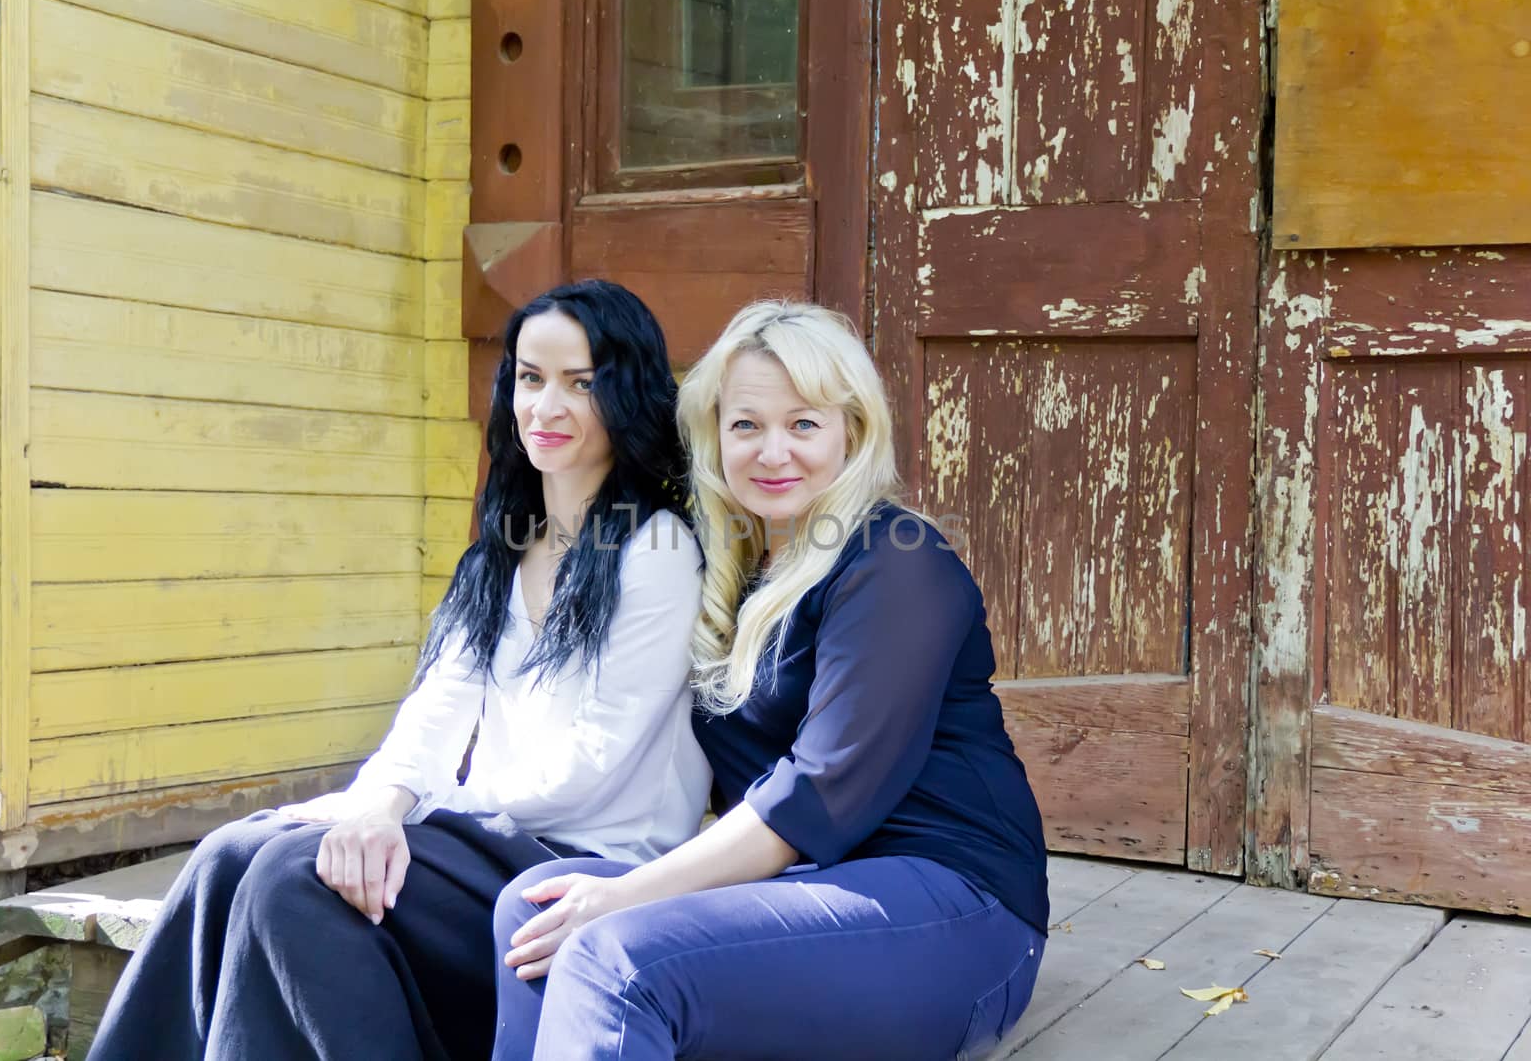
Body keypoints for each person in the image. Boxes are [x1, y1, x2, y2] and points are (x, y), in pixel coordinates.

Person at [87, 280, 712, 1061]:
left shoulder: (657, 551)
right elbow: (433, 712)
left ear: (625, 393)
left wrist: (405, 819)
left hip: (582, 863)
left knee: (295, 879)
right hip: (486, 839)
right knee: (228, 855)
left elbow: (588, 769)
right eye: (529, 377)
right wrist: (376, 802)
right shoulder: (503, 550)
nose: (545, 406)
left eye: (580, 383)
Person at [490, 301, 1051, 1061]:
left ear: (851, 431)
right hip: (808, 894)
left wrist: (630, 891)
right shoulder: (734, 572)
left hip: (955, 905)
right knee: (535, 908)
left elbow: (817, 795)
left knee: (612, 954)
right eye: (747, 425)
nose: (772, 451)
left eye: (804, 424)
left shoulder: (897, 562)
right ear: (716, 438)